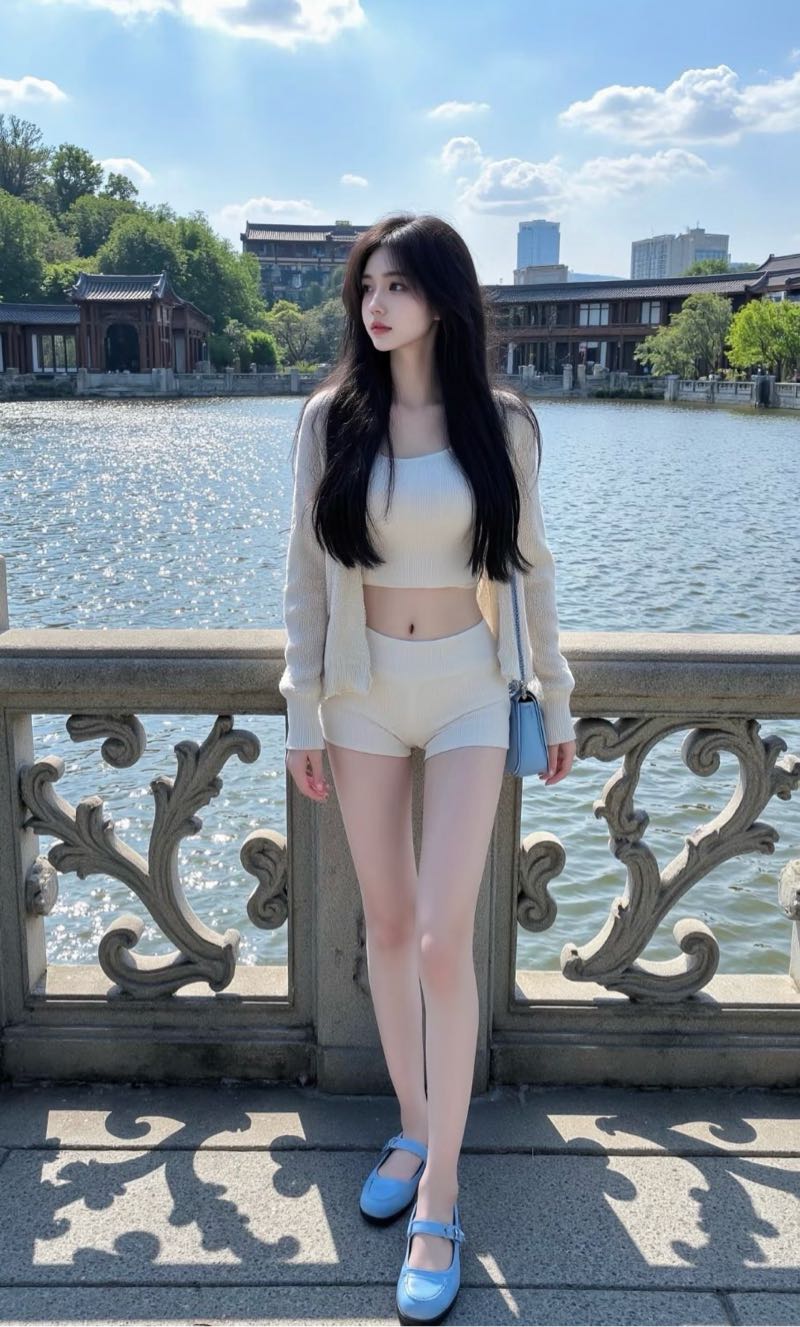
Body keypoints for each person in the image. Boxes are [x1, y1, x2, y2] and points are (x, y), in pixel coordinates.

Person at [279, 212, 576, 1325]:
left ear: (444, 299)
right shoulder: (329, 419)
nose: (377, 304)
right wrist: (301, 711)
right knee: (391, 927)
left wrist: (556, 695)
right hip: (360, 693)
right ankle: (413, 1124)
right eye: (368, 285)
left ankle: (440, 1195)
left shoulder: (503, 421)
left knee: (447, 940)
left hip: (465, 690)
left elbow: (533, 569)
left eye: (399, 285)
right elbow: (303, 576)